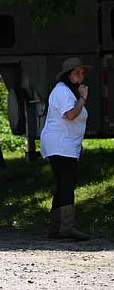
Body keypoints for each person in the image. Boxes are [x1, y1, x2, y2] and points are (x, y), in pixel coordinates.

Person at [40, 57, 91, 241]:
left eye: (82, 73)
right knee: (67, 184)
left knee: (63, 184)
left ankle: (56, 228)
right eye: (77, 72)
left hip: (65, 145)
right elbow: (70, 115)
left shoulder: (69, 92)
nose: (81, 76)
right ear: (68, 75)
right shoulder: (62, 91)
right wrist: (83, 99)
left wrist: (78, 144)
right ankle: (66, 227)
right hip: (60, 144)